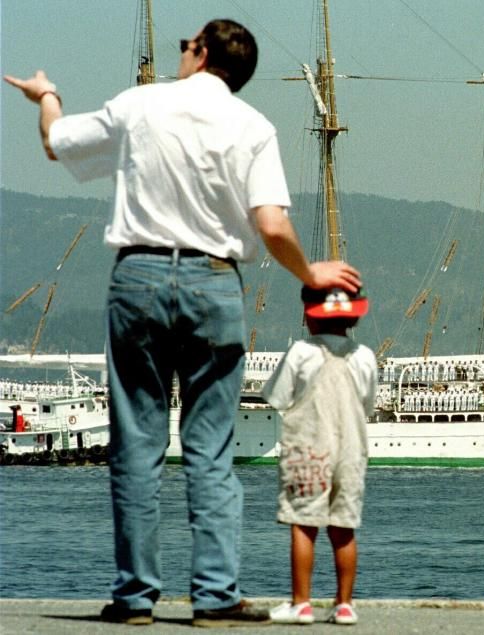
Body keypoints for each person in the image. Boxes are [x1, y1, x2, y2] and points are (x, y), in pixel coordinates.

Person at [5, 19, 361, 627]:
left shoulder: (141, 104)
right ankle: (215, 597)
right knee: (210, 449)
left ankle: (135, 597)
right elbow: (272, 226)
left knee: (137, 444)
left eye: (184, 45)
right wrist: (313, 271)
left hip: (138, 276)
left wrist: (47, 96)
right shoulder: (253, 127)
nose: (179, 53)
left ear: (200, 54)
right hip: (213, 282)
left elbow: (57, 142)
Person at [262, 286, 377, 626]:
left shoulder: (300, 352)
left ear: (309, 315)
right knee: (344, 527)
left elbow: (278, 397)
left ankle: (302, 604)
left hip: (308, 448)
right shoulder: (364, 355)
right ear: (354, 316)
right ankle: (344, 605)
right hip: (351, 450)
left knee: (304, 524)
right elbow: (367, 404)